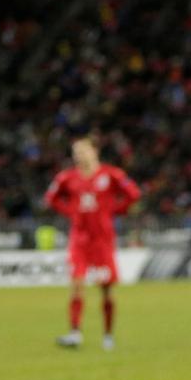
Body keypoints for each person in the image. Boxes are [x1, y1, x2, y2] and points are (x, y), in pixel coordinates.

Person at [44, 136, 141, 350]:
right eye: (76, 152)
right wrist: (69, 211)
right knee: (77, 285)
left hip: (102, 240)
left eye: (83, 151)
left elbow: (133, 193)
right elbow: (51, 198)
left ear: (94, 152)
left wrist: (116, 211)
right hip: (79, 239)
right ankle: (75, 333)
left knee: (105, 289)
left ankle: (108, 335)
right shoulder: (66, 177)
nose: (79, 155)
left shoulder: (111, 174)